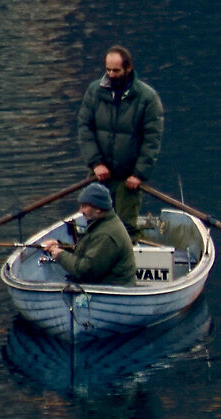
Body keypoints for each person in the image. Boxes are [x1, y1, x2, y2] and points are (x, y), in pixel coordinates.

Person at [76, 45, 164, 226]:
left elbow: (152, 140)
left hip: (128, 179)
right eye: (108, 70)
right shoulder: (95, 91)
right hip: (99, 175)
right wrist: (96, 163)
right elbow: (85, 128)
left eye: (116, 70)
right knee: (91, 224)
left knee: (126, 228)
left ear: (128, 68)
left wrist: (139, 174)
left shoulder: (147, 98)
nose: (111, 74)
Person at [39, 182, 137, 286]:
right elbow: (88, 252)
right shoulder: (102, 224)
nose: (80, 211)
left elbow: (86, 272)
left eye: (84, 206)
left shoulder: (105, 235)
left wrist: (59, 255)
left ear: (98, 208)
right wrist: (60, 246)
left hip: (112, 292)